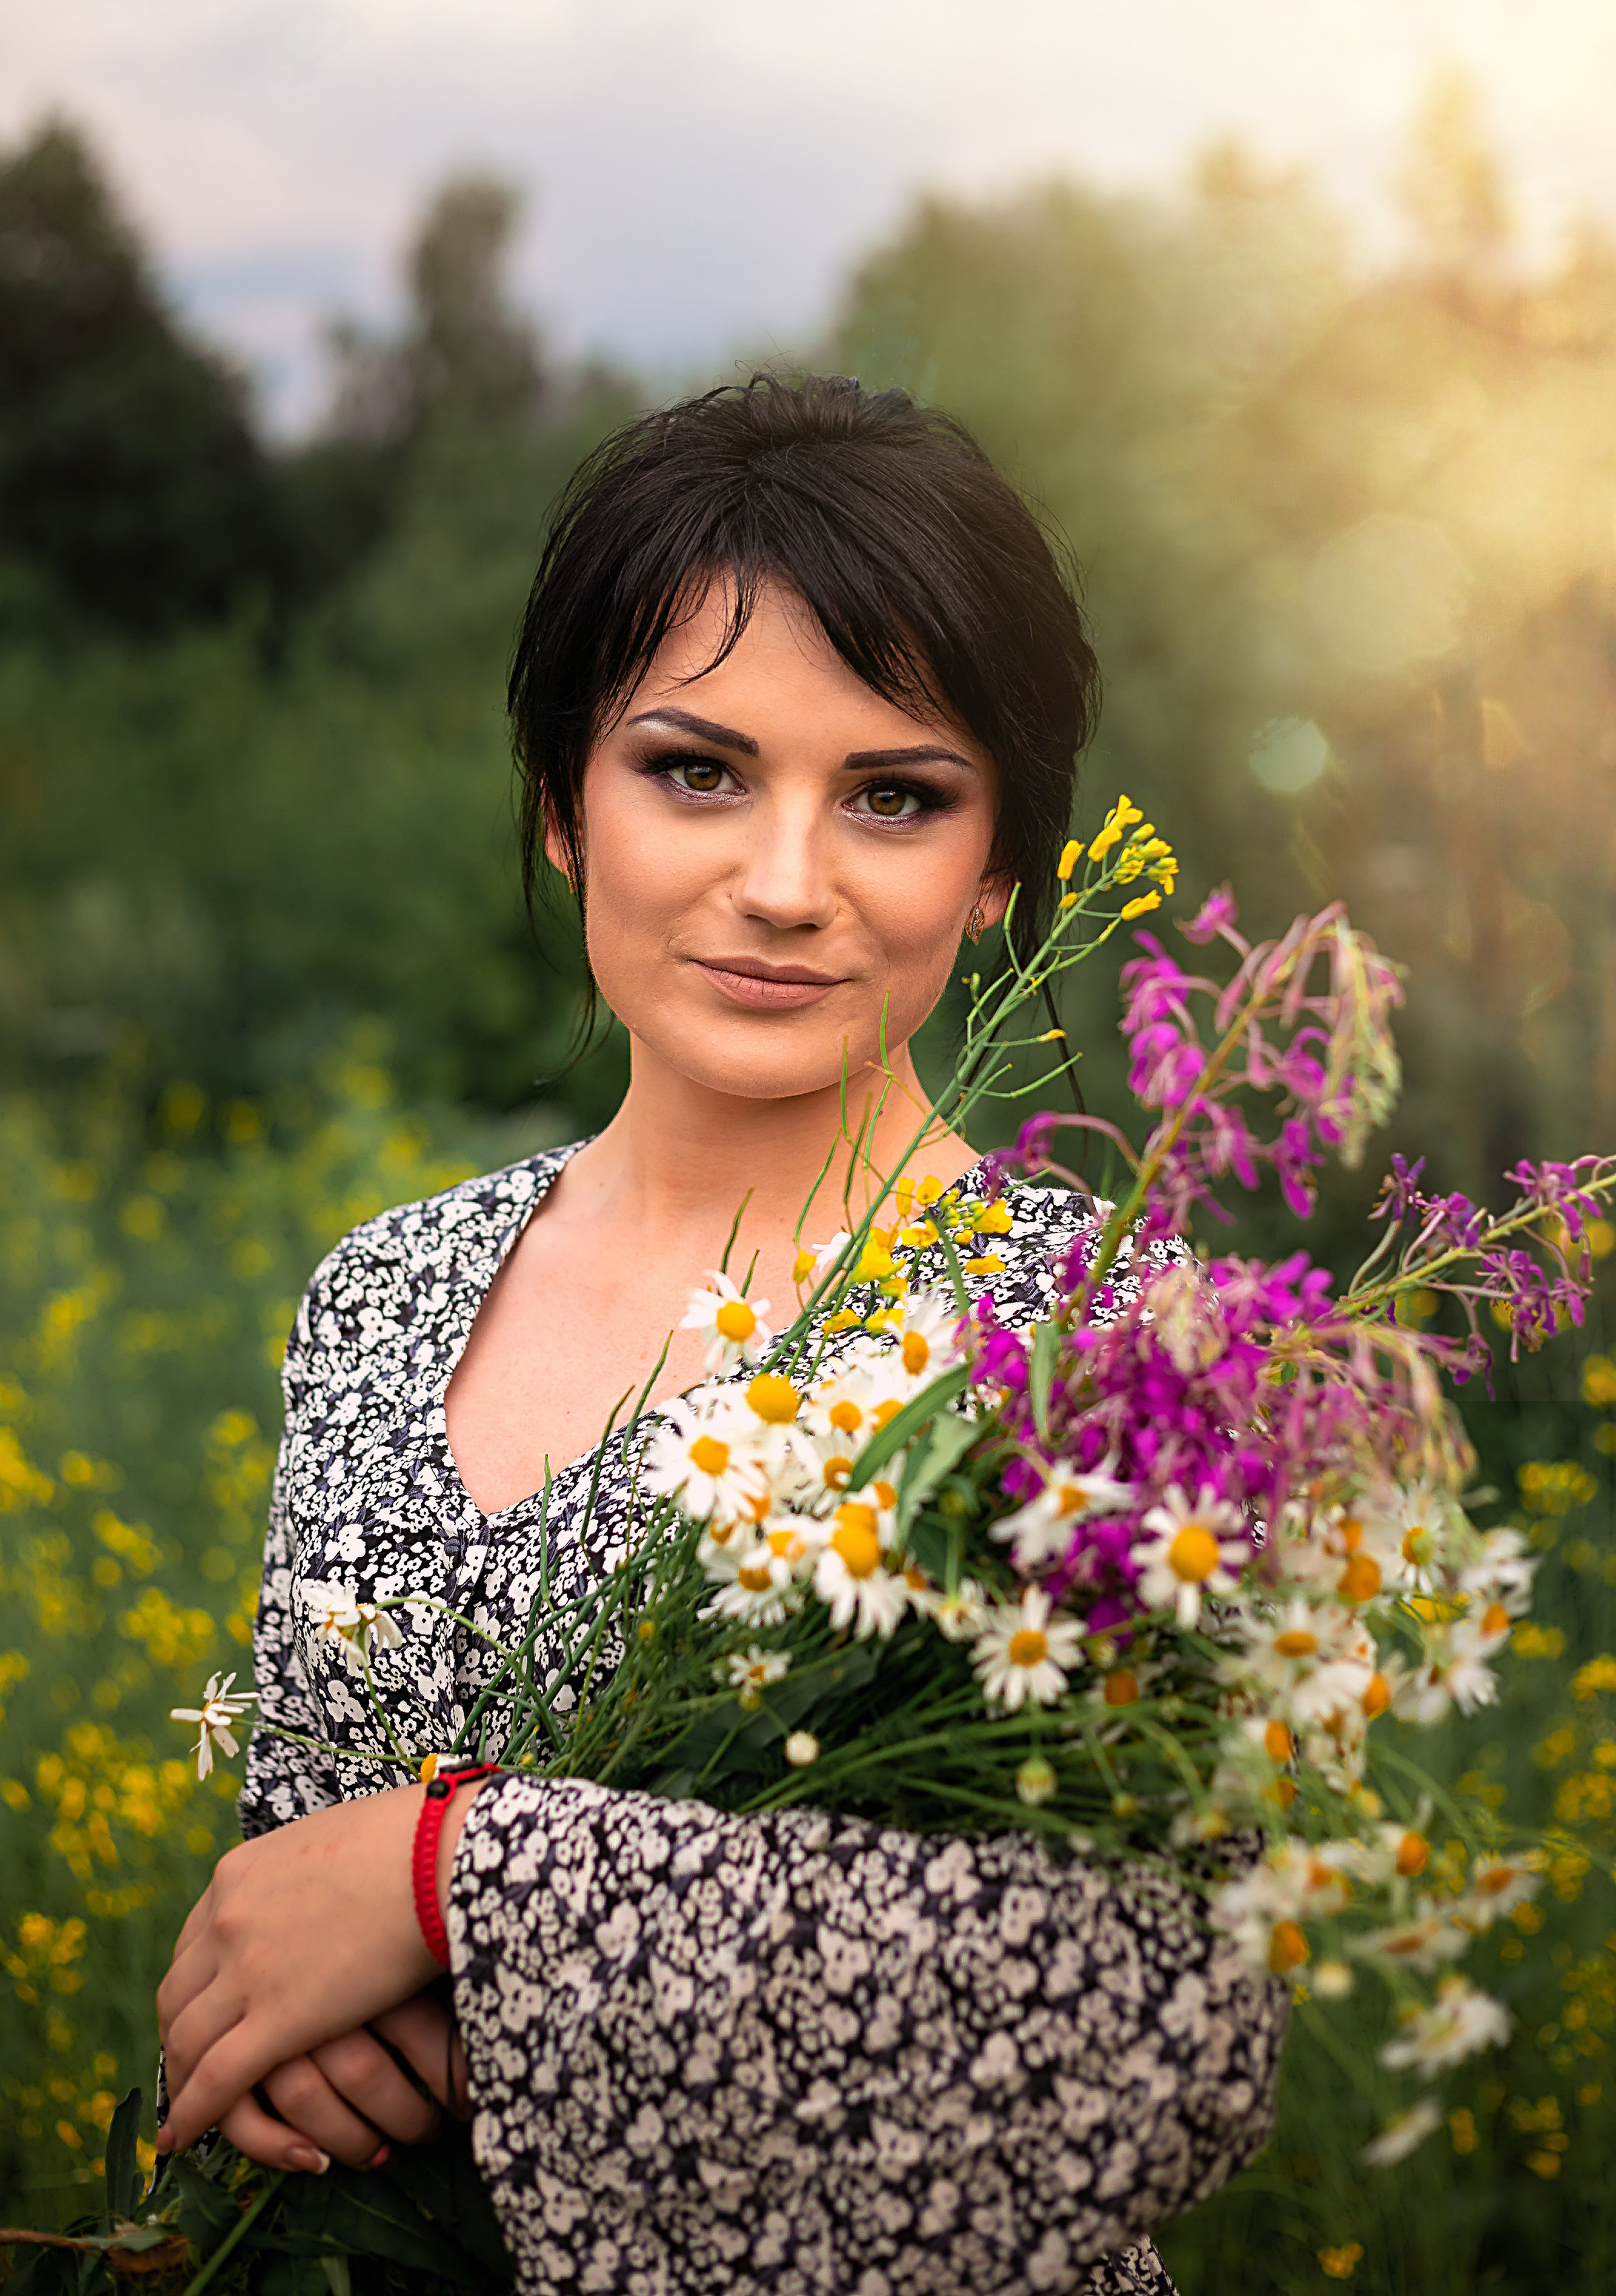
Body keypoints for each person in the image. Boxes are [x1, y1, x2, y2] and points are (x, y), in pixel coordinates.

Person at [155, 375, 1286, 2294]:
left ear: (1002, 862)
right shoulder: (386, 1292)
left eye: (896, 797)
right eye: (696, 769)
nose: (783, 882)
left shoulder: (1090, 1346)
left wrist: (461, 1883)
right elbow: (283, 1906)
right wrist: (290, 2051)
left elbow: (1163, 2045)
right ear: (558, 805)